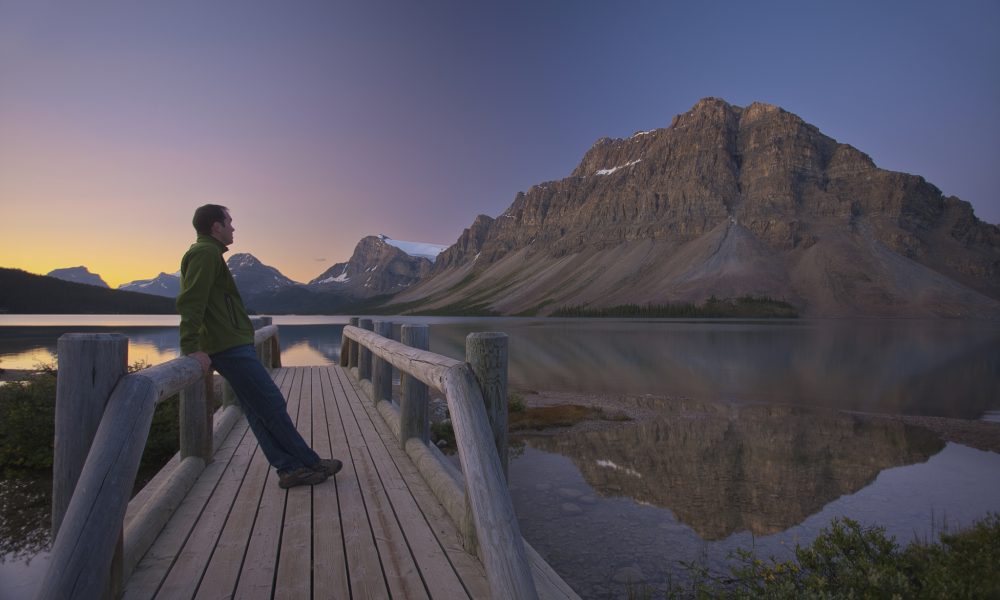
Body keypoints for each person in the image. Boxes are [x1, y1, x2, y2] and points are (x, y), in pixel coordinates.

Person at [176, 204, 341, 489]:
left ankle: (290, 468)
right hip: (229, 347)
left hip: (231, 344)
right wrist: (191, 346)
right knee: (271, 403)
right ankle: (308, 462)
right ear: (216, 226)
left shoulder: (210, 253)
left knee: (256, 409)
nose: (233, 227)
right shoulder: (204, 253)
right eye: (229, 222)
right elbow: (192, 301)